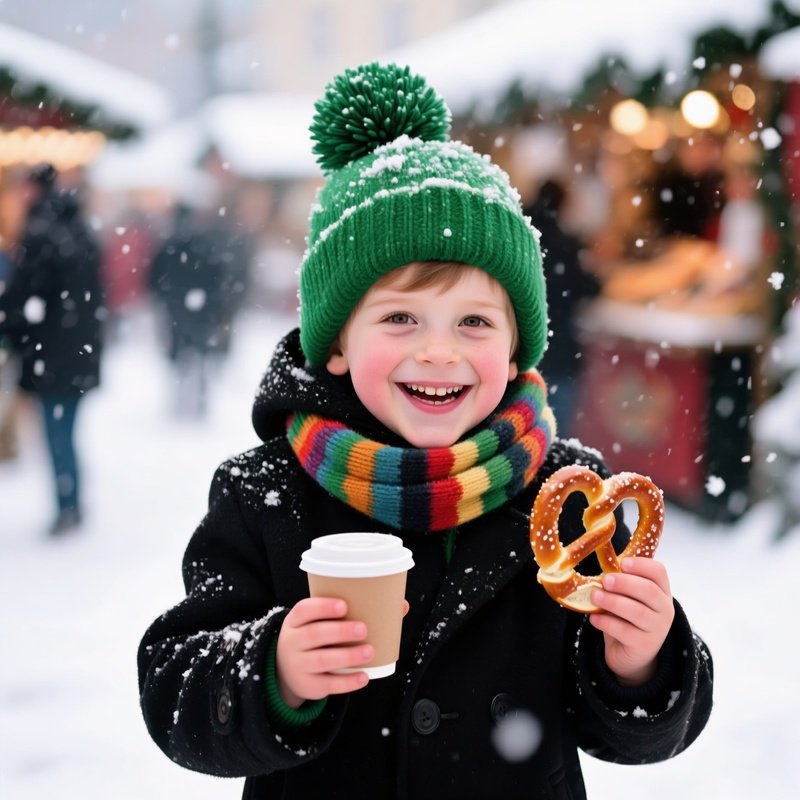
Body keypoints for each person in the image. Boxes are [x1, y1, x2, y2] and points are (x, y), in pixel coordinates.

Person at [138, 63, 713, 799]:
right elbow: (174, 688)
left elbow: (639, 728)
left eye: (474, 322)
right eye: (400, 318)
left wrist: (642, 663)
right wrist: (273, 671)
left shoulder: (571, 501)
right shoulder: (266, 493)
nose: (438, 351)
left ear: (513, 350)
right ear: (337, 344)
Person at [0, 164, 104, 534]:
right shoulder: (82, 232)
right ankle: (72, 500)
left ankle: (67, 505)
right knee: (66, 430)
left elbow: (24, 298)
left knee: (56, 433)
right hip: (78, 352)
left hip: (51, 355)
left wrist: (11, 325)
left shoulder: (42, 235)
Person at [524, 179, 600, 437]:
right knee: (557, 426)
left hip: (526, 344)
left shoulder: (521, 236)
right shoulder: (566, 243)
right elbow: (590, 287)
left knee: (524, 422)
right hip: (561, 346)